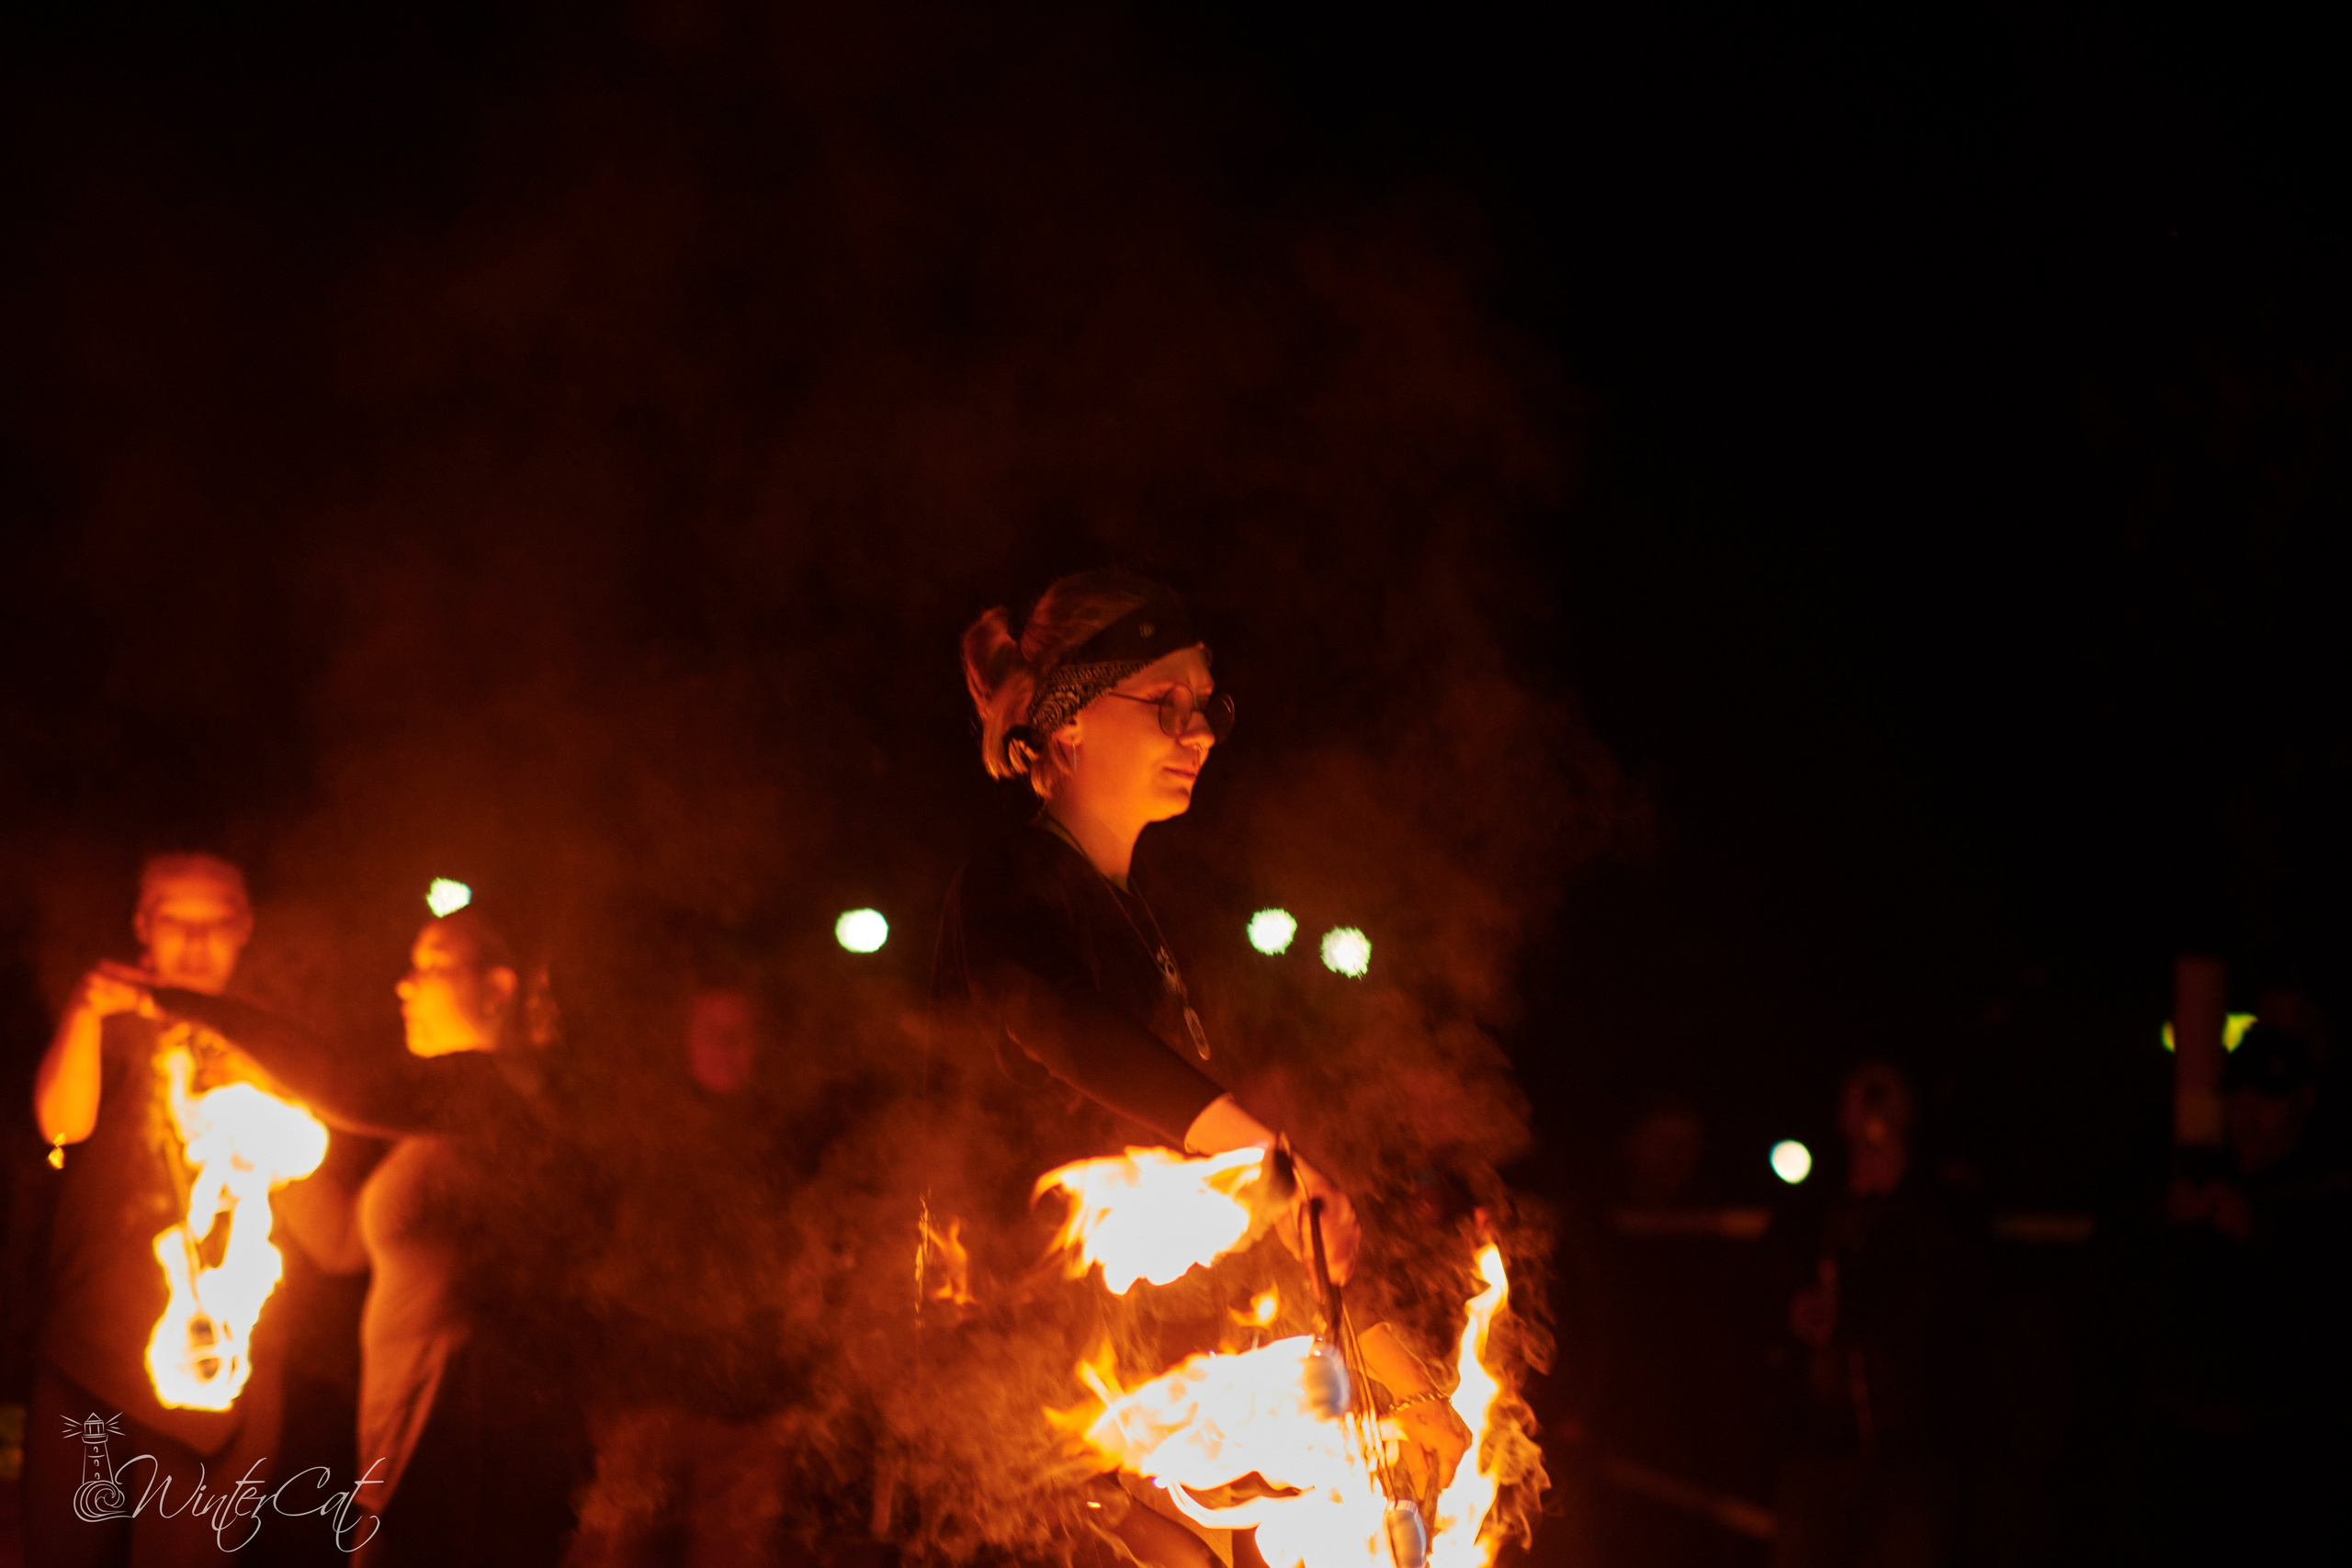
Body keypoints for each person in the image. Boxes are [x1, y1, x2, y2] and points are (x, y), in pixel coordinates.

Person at [935, 569, 1464, 1566]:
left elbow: (1216, 1200)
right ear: (1070, 720)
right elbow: (1057, 1021)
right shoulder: (1008, 883)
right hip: (1033, 1427)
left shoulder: (1151, 921)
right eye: (1167, 704)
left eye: (1209, 708)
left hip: (1146, 1419)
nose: (1201, 734)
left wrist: (1377, 1353)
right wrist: (1268, 1156)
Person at [130, 898, 593, 1566]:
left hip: (469, 1440)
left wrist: (190, 1003)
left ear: (498, 989)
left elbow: (344, 1086)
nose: (404, 985)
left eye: (432, 967)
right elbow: (344, 1245)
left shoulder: (506, 1093)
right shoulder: (442, 1130)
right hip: (407, 1436)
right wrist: (262, 1137)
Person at [22, 852, 294, 1568]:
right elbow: (60, 1126)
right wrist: (86, 1010)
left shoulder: (272, 1036)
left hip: (221, 1371)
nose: (196, 942)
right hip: (88, 1351)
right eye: (176, 920)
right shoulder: (106, 1022)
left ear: (244, 928)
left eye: (215, 923)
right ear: (143, 925)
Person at [567, 975, 803, 1568]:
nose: (725, 1045)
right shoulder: (640, 1133)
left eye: (740, 1032)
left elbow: (803, 1275)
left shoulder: (790, 1142)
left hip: (748, 1419)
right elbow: (601, 1264)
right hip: (647, 1405)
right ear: (684, 1041)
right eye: (710, 1031)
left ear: (763, 1044)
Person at [1770, 1062, 1981, 1568]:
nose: (1873, 1107)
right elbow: (1762, 1283)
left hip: (1911, 1445)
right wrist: (1793, 1307)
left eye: (1885, 1092)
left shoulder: (1941, 1204)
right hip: (1819, 1442)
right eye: (1862, 1092)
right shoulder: (1811, 1204)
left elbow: (1955, 1292)